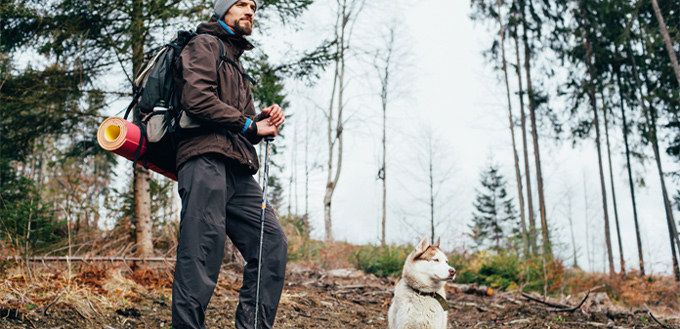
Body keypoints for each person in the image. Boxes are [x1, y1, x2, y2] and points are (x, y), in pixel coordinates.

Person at [171, 0, 287, 328]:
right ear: (223, 10)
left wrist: (260, 120)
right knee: (202, 253)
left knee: (271, 242)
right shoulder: (204, 44)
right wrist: (248, 125)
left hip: (237, 168)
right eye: (241, 3)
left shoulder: (235, 63)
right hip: (205, 160)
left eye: (253, 6)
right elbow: (196, 100)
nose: (250, 10)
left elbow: (246, 127)